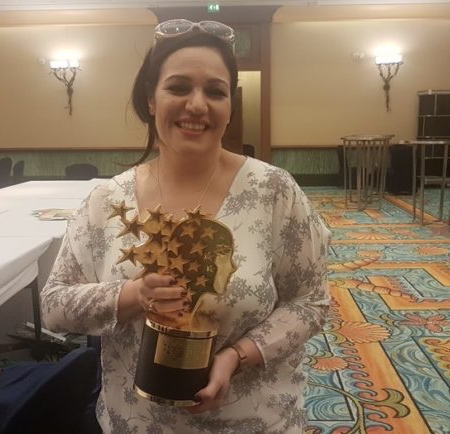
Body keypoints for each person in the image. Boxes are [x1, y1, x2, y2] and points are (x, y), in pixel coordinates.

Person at [41, 19, 330, 433]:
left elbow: (311, 301)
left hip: (253, 420)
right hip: (136, 422)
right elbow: (53, 307)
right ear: (151, 99)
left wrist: (238, 356)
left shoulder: (273, 191)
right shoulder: (107, 201)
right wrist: (132, 295)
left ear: (230, 107)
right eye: (178, 87)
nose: (197, 104)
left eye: (215, 91)